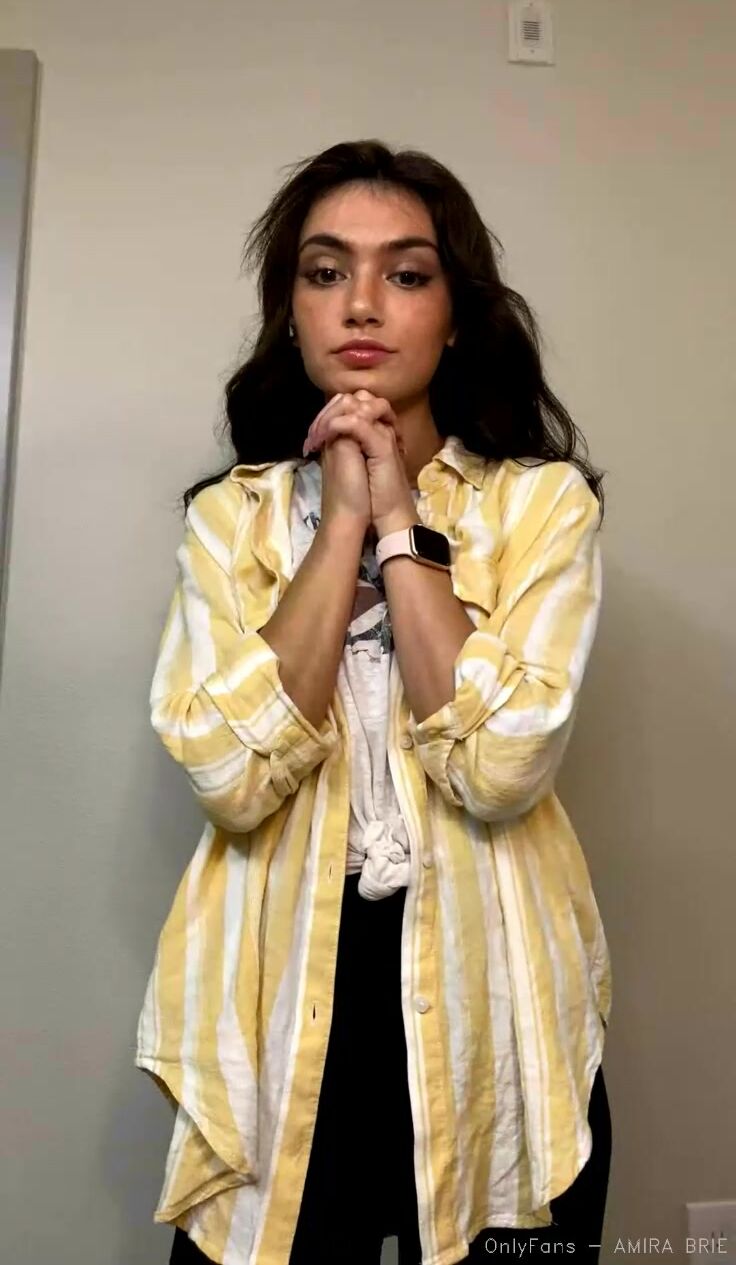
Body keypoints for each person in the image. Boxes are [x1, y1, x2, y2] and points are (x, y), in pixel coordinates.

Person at [135, 138, 613, 1265]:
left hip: (498, 996)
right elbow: (230, 779)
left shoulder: (543, 507)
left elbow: (499, 767)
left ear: (456, 317)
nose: (360, 302)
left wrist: (401, 522)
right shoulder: (230, 519)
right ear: (290, 315)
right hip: (278, 1001)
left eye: (405, 273)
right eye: (324, 271)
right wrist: (339, 519)